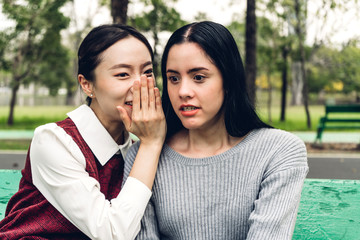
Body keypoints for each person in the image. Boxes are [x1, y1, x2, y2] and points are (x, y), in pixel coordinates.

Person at [123, 21, 308, 239]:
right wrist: (151, 146)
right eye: (173, 78)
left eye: (198, 77)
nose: (183, 91)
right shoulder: (144, 156)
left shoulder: (279, 151)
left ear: (228, 81)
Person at [0, 24, 166, 240]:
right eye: (123, 74)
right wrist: (152, 144)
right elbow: (113, 234)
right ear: (87, 85)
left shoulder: (136, 149)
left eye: (147, 72)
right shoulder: (54, 141)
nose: (139, 85)